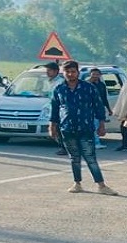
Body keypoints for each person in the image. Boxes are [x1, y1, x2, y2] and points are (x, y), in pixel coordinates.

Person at [49, 60, 118, 196]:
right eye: (67, 71)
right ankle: (77, 183)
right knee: (74, 158)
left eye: (73, 71)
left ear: (78, 73)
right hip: (67, 128)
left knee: (90, 157)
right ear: (63, 73)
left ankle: (101, 185)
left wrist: (101, 125)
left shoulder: (88, 88)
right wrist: (52, 126)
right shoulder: (59, 89)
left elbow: (98, 107)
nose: (70, 74)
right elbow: (55, 109)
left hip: (85, 128)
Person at [45, 62, 68, 155]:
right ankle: (63, 147)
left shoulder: (60, 82)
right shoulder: (50, 82)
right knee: (57, 129)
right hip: (52, 108)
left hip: (59, 109)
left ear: (56, 71)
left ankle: (65, 148)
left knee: (60, 129)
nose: (47, 73)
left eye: (49, 71)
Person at [87, 68, 113, 150]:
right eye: (93, 74)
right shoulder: (86, 84)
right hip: (90, 108)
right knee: (93, 125)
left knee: (98, 125)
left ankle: (95, 142)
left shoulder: (102, 85)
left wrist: (109, 109)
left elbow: (104, 98)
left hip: (100, 108)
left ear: (100, 75)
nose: (95, 76)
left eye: (97, 74)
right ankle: (95, 142)